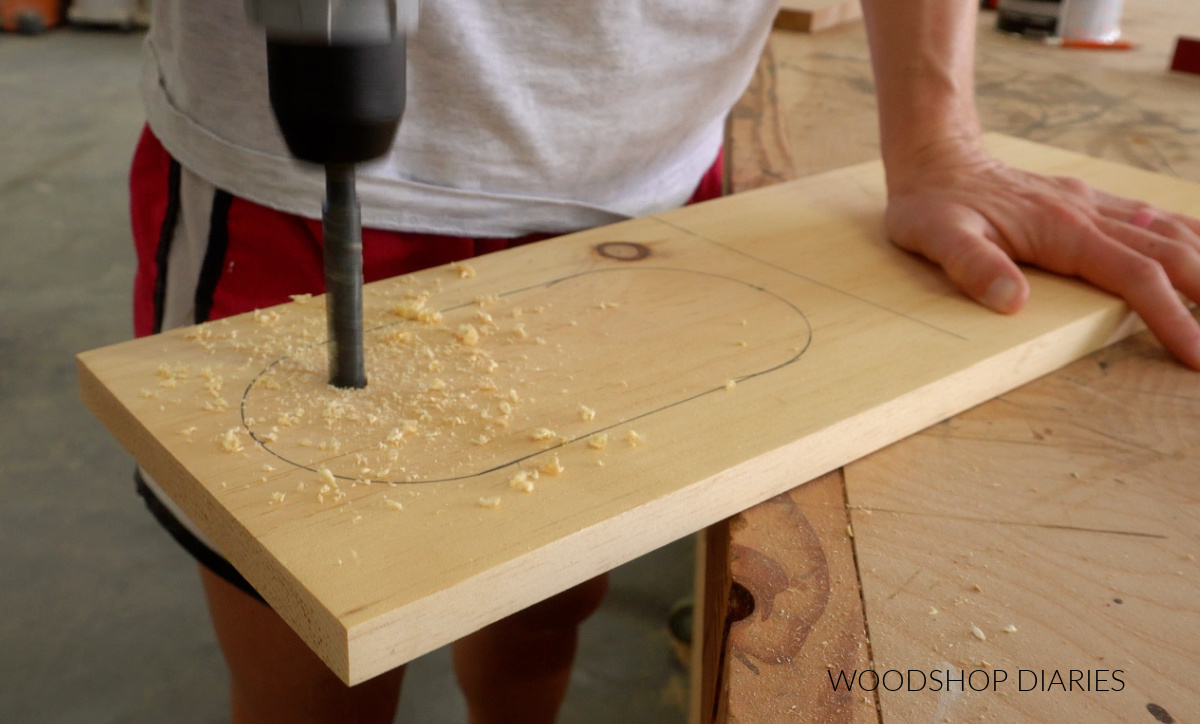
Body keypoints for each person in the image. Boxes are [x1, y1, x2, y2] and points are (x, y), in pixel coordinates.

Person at [128, 1, 1200, 722]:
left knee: (546, 592)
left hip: (640, 184)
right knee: (313, 638)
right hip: (288, 185)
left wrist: (937, 139)